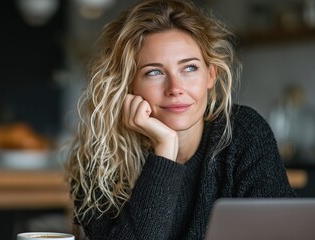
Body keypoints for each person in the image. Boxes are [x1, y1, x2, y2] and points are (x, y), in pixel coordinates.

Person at [65, 0, 296, 239]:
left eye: (189, 68)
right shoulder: (99, 162)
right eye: (154, 72)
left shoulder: (243, 133)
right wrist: (165, 153)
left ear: (210, 75)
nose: (175, 88)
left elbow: (283, 232)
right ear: (127, 85)